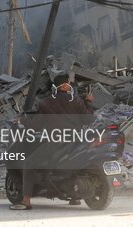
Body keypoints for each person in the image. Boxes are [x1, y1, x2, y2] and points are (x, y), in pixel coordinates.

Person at [9, 77, 94, 210]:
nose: (70, 86)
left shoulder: (46, 103)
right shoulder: (76, 101)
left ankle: (26, 200)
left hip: (56, 142)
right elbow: (88, 120)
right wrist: (88, 102)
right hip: (76, 141)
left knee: (29, 163)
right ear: (65, 86)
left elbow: (36, 126)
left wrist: (22, 121)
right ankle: (73, 197)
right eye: (69, 84)